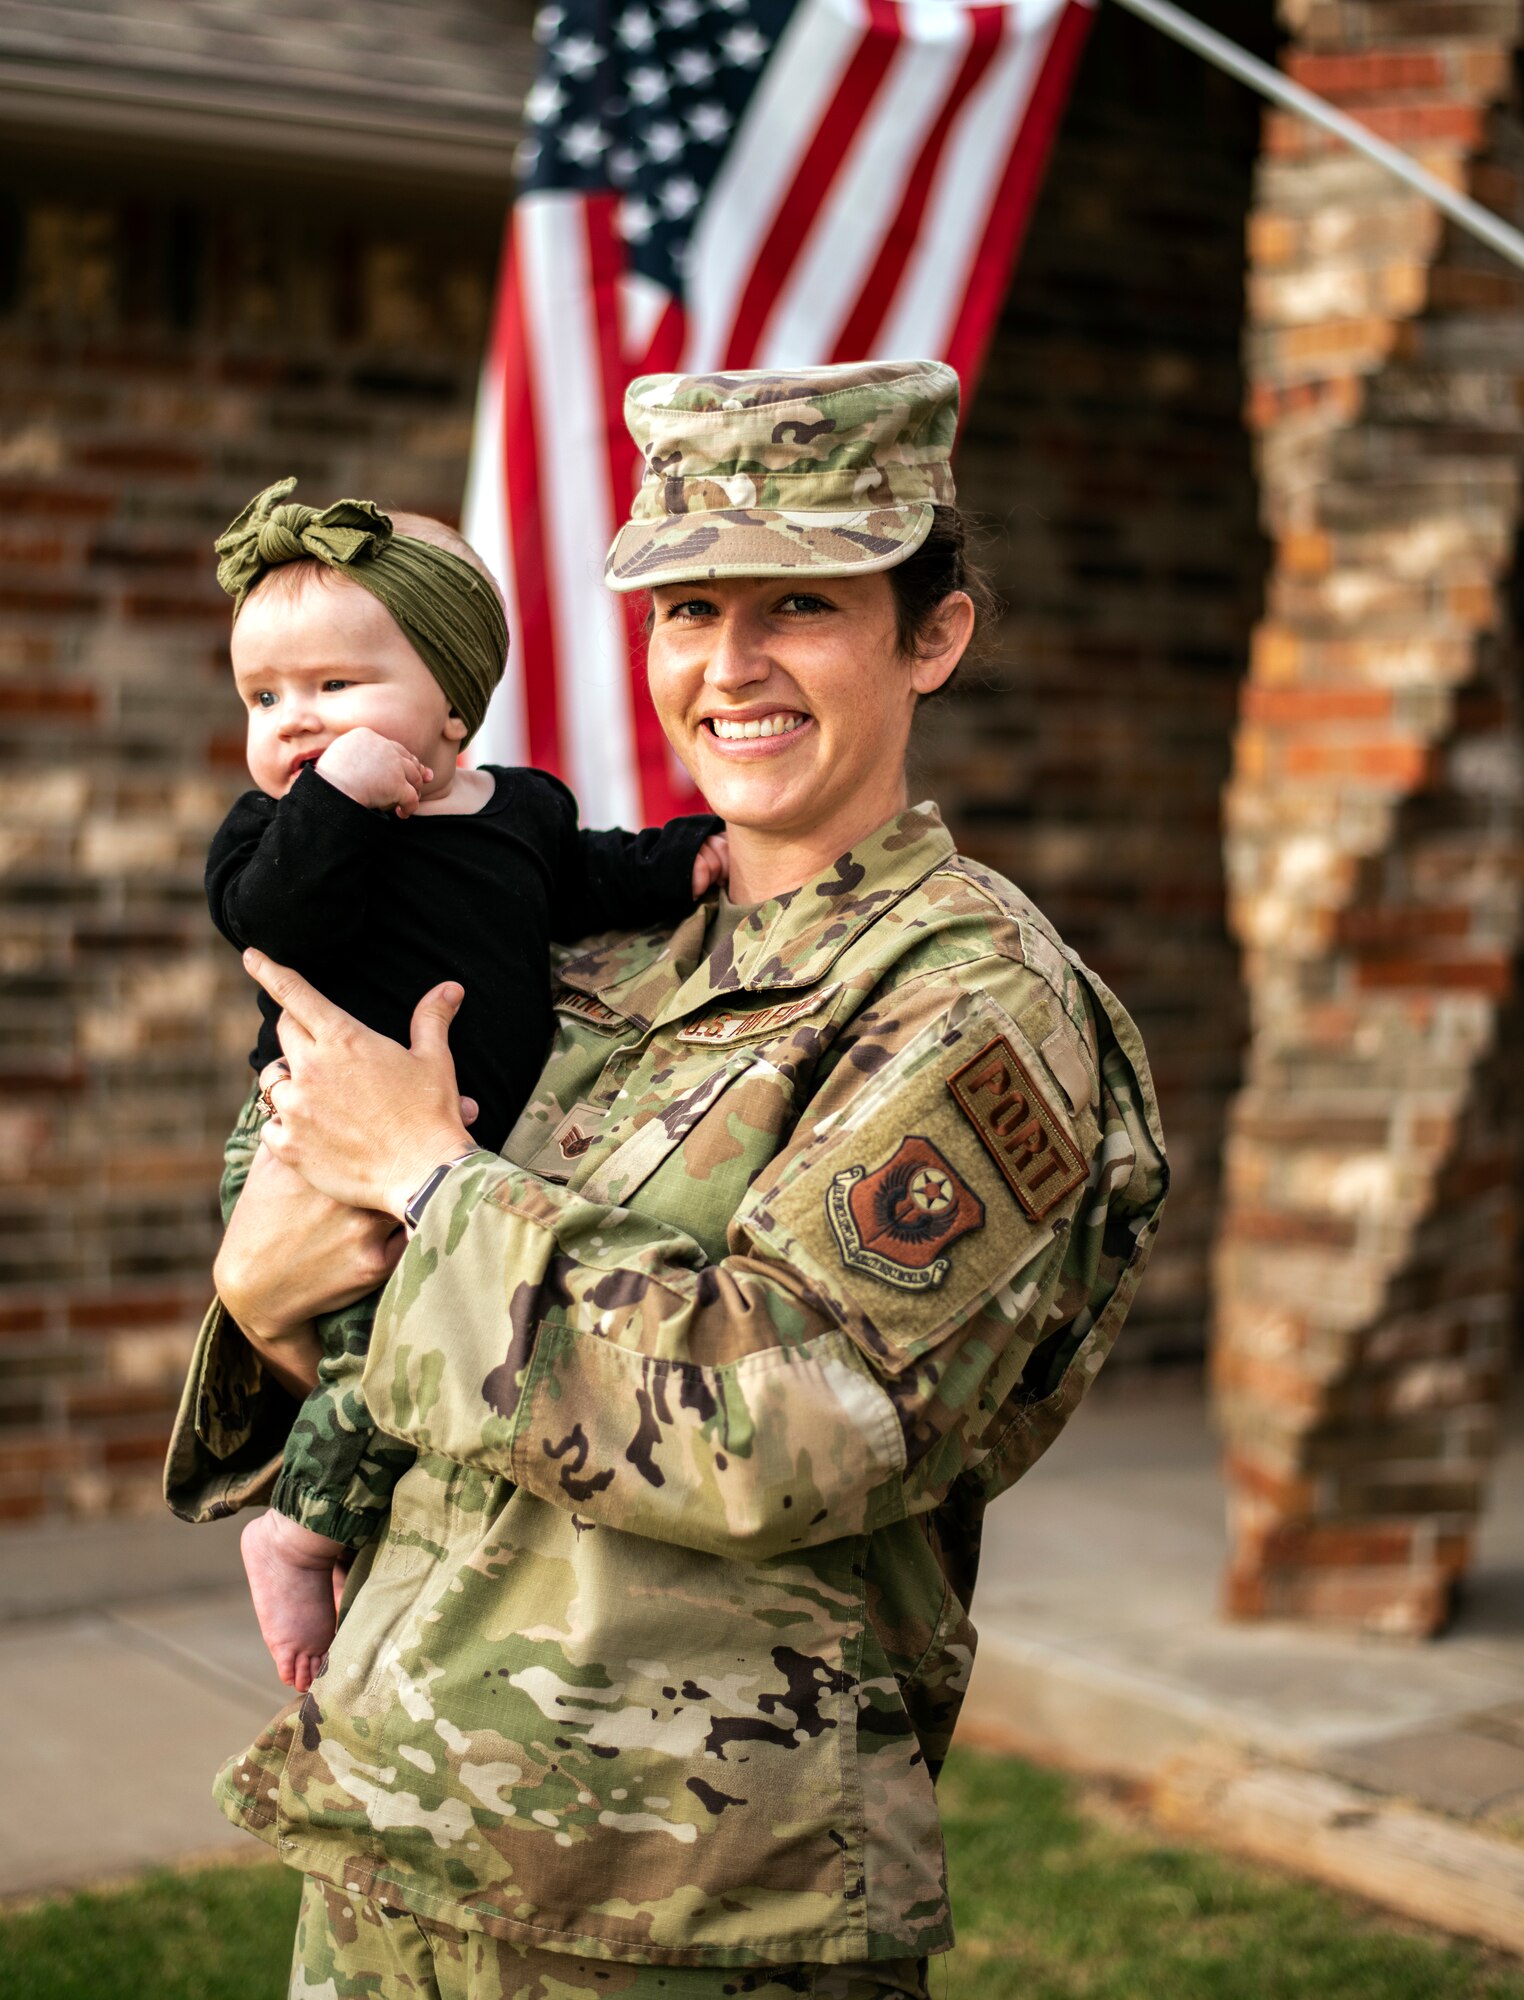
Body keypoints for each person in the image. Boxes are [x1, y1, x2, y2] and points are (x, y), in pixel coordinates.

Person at [165, 358, 1168, 1999]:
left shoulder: (967, 1006)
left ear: (932, 636)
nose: (730, 664)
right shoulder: (586, 942)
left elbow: (787, 1425)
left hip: (686, 1914)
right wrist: (268, 1296)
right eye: (686, 609)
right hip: (395, 1846)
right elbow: (288, 1264)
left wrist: (431, 1195)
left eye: (799, 603)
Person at [196, 476, 723, 1691]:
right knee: (371, 1345)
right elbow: (270, 916)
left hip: (454, 1165)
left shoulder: (522, 810)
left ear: (452, 701)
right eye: (264, 698)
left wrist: (683, 858)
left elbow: (585, 878)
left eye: (335, 688)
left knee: (425, 1352)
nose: (294, 722)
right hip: (306, 1139)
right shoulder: (272, 831)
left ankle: (314, 1526)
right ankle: (297, 1528)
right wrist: (335, 800)